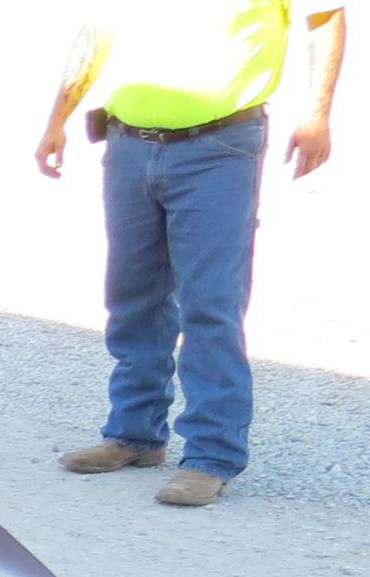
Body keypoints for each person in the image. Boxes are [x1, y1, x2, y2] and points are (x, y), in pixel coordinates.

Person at [36, 3, 347, 506]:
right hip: (128, 143)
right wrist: (57, 118)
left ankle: (211, 456)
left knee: (211, 302)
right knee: (133, 296)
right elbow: (95, 34)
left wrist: (317, 114)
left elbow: (327, 17)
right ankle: (134, 436)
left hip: (219, 147)